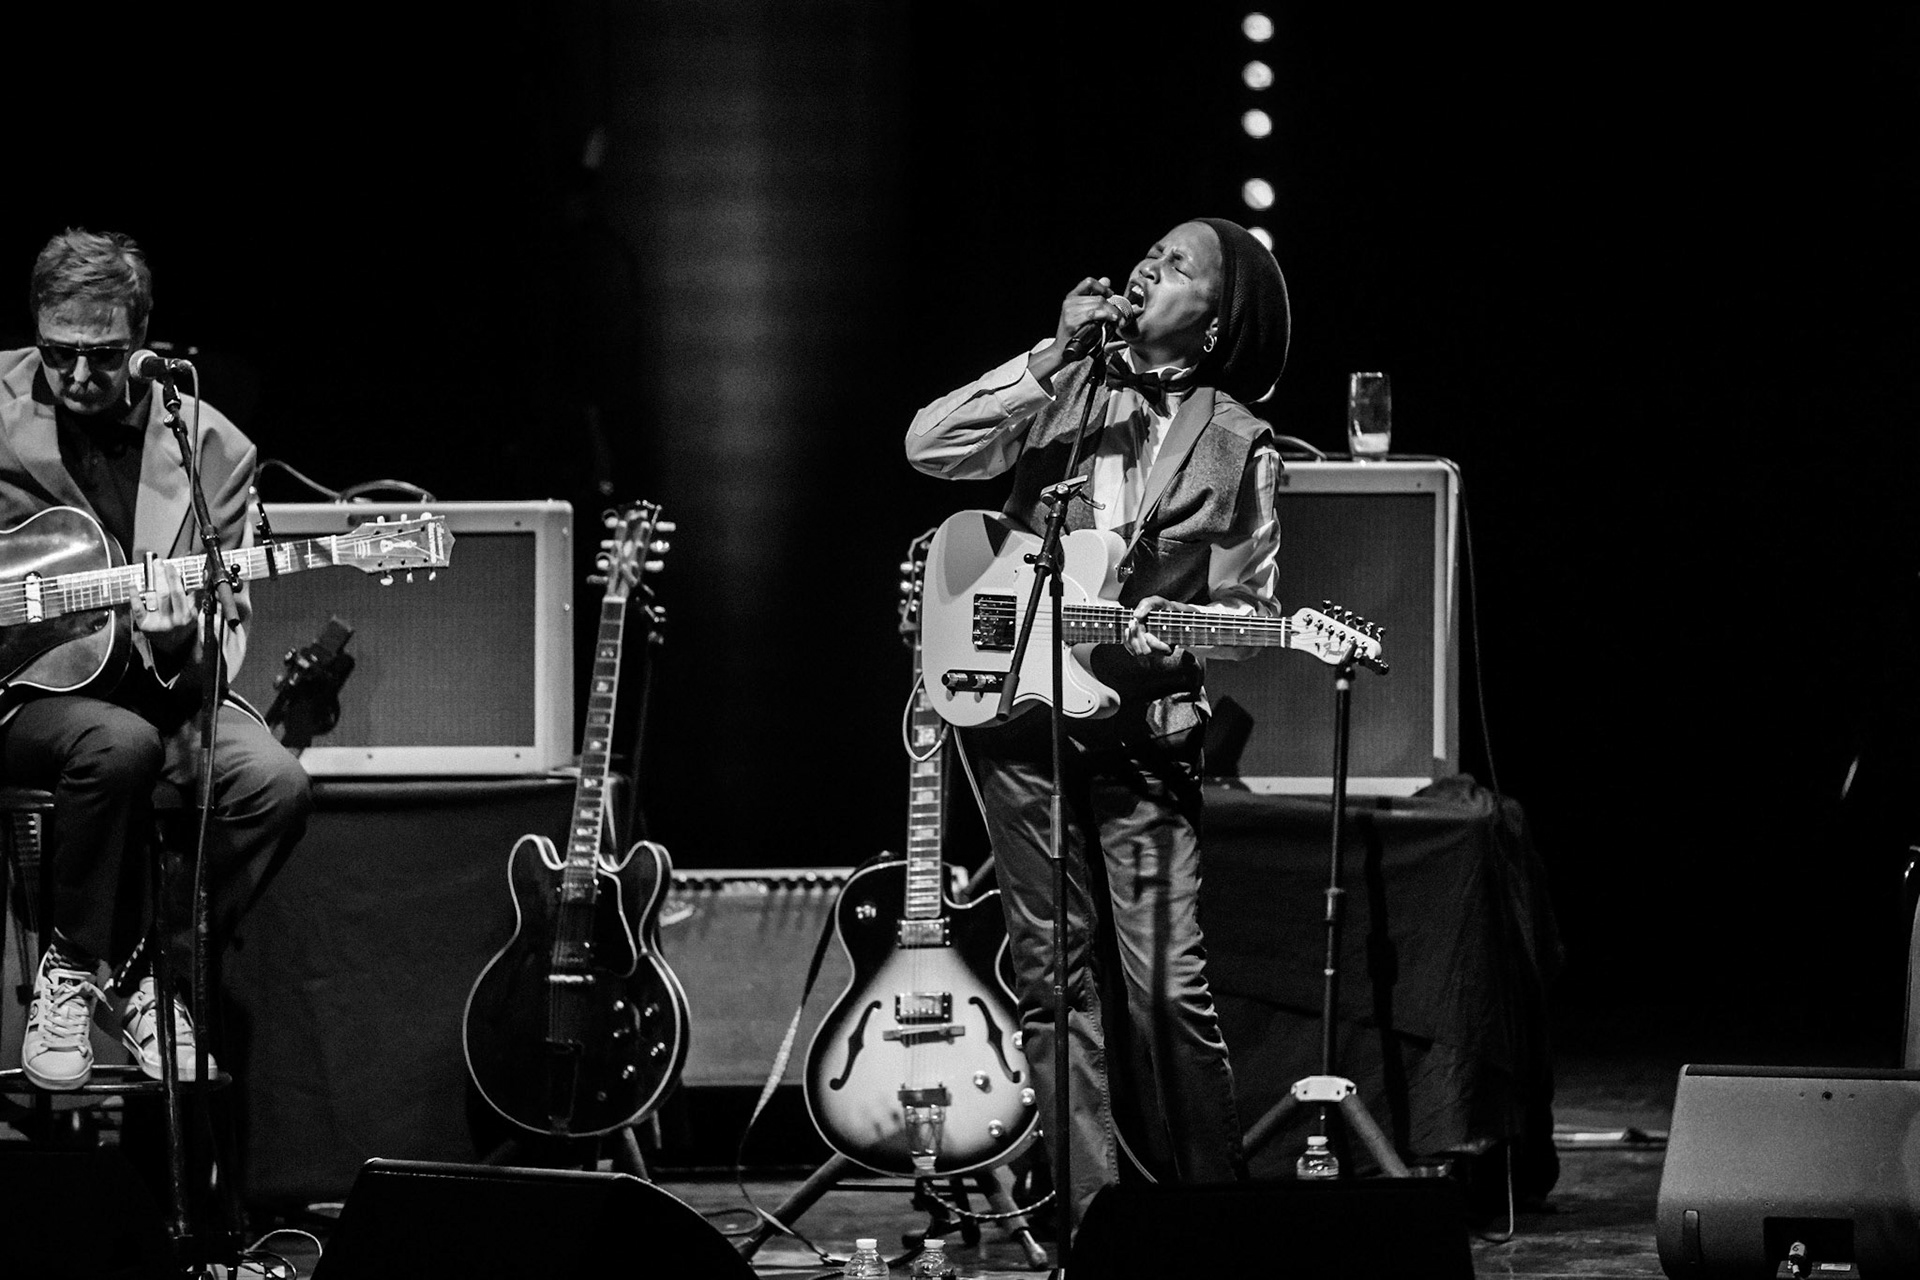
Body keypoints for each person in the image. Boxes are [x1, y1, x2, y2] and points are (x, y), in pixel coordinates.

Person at [905, 217, 1290, 1237]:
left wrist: (1187, 626)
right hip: (1020, 732)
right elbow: (930, 445)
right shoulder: (1064, 387)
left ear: (1214, 323)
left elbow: (1251, 613)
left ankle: (1215, 1227)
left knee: (1167, 988)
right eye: (1151, 251)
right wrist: (1049, 355)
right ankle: (1093, 1229)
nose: (1149, 264)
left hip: (1143, 741)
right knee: (1052, 979)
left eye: (1180, 265)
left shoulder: (1239, 442)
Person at [0, 228, 312, 1090]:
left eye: (102, 356)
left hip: (155, 687)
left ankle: (144, 975)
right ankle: (72, 966)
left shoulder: (211, 448)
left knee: (272, 783)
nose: (77, 378)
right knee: (118, 745)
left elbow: (228, 632)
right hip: (25, 692)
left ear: (143, 345)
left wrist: (179, 639)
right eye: (57, 354)